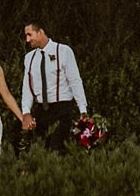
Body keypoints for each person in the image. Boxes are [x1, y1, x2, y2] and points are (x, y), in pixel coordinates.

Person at [18, 22, 88, 153]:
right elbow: (27, 87)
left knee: (57, 148)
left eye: (29, 34)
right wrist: (26, 111)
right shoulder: (29, 58)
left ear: (41, 32)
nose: (27, 40)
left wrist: (82, 109)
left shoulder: (63, 51)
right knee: (40, 149)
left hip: (62, 108)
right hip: (41, 110)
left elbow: (75, 81)